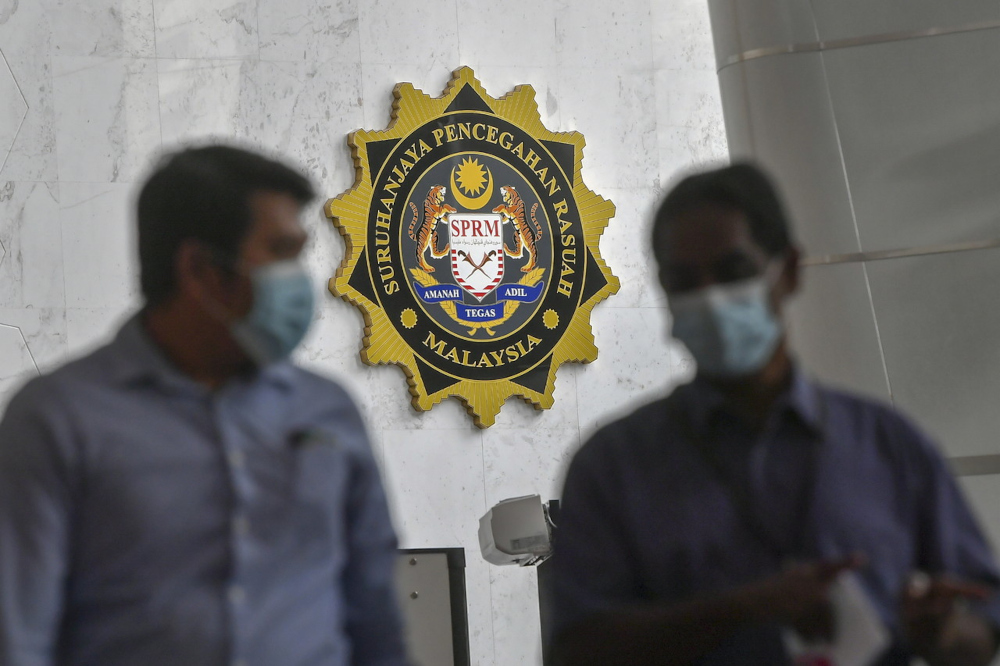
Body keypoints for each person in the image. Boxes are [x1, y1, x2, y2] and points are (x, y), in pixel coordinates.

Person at [550, 163, 1000, 665]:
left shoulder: (889, 445)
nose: (711, 298)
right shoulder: (613, 467)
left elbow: (983, 628)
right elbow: (575, 651)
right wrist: (741, 609)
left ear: (787, 271)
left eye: (732, 272)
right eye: (684, 281)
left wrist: (941, 632)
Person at [0, 145, 409, 666]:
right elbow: (18, 635)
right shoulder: (58, 419)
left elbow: (374, 615)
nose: (304, 281)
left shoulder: (326, 410)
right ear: (201, 269)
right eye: (281, 253)